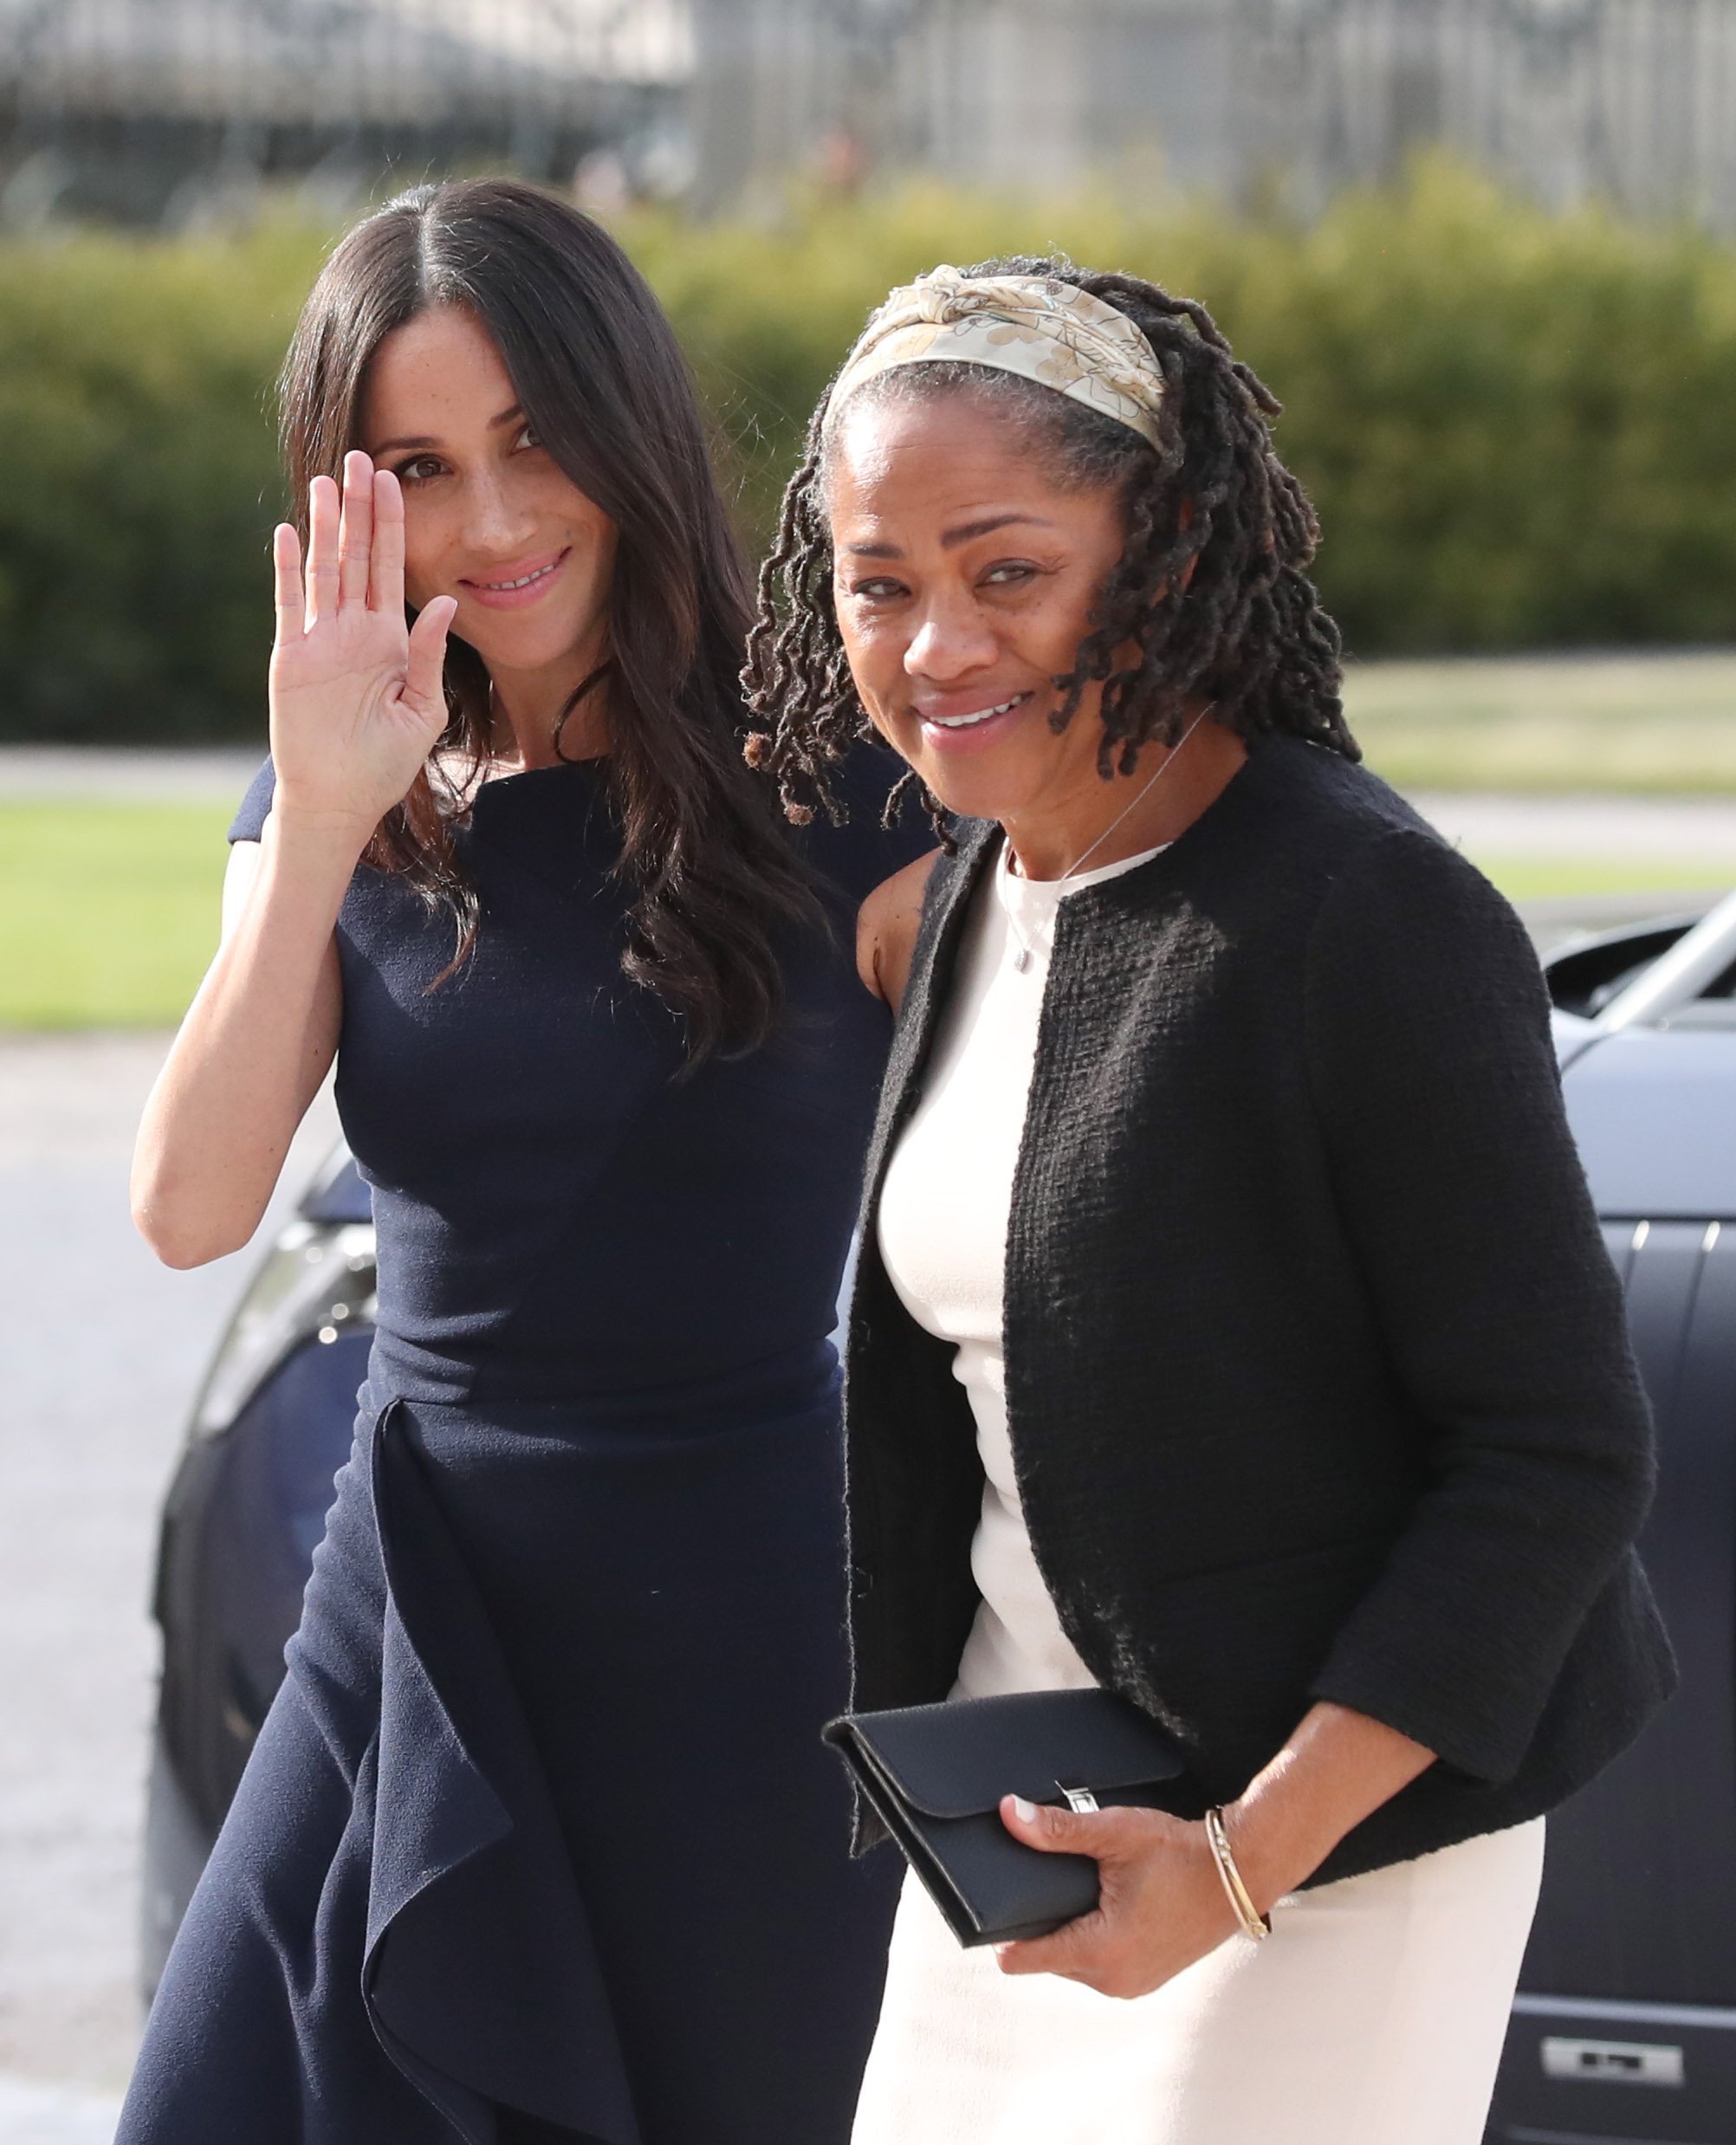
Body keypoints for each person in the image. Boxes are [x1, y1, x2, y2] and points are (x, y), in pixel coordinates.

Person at [742, 260, 1676, 2145]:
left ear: (1159, 554)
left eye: (1007, 570)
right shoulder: (962, 901)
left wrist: (1247, 1858)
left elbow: (1555, 1452)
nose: (933, 643)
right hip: (1039, 1832)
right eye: (880, 577)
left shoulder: (1360, 914)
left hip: (1323, 1846)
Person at [121, 179, 928, 2145]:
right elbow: (191, 1206)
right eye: (419, 464)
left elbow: (1060, 1160)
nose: (491, 519)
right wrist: (323, 813)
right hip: (412, 1621)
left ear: (628, 422)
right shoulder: (338, 790)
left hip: (746, 1640)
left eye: (533, 439)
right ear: (347, 495)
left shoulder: (848, 776)